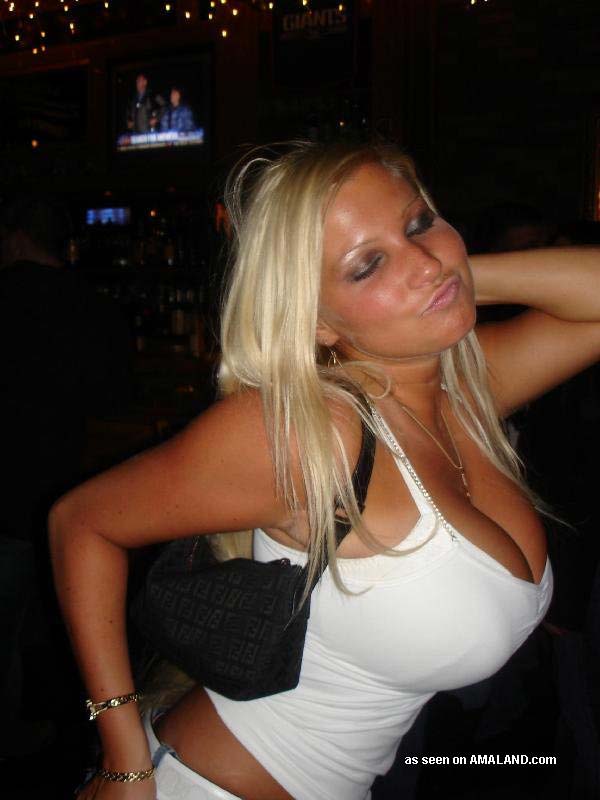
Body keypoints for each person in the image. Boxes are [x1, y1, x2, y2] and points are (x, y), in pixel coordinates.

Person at [49, 142, 600, 800]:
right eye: (366, 265)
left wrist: (449, 273)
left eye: (419, 223)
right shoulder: (314, 431)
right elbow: (81, 522)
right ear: (315, 322)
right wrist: (122, 757)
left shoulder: (464, 389)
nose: (423, 261)